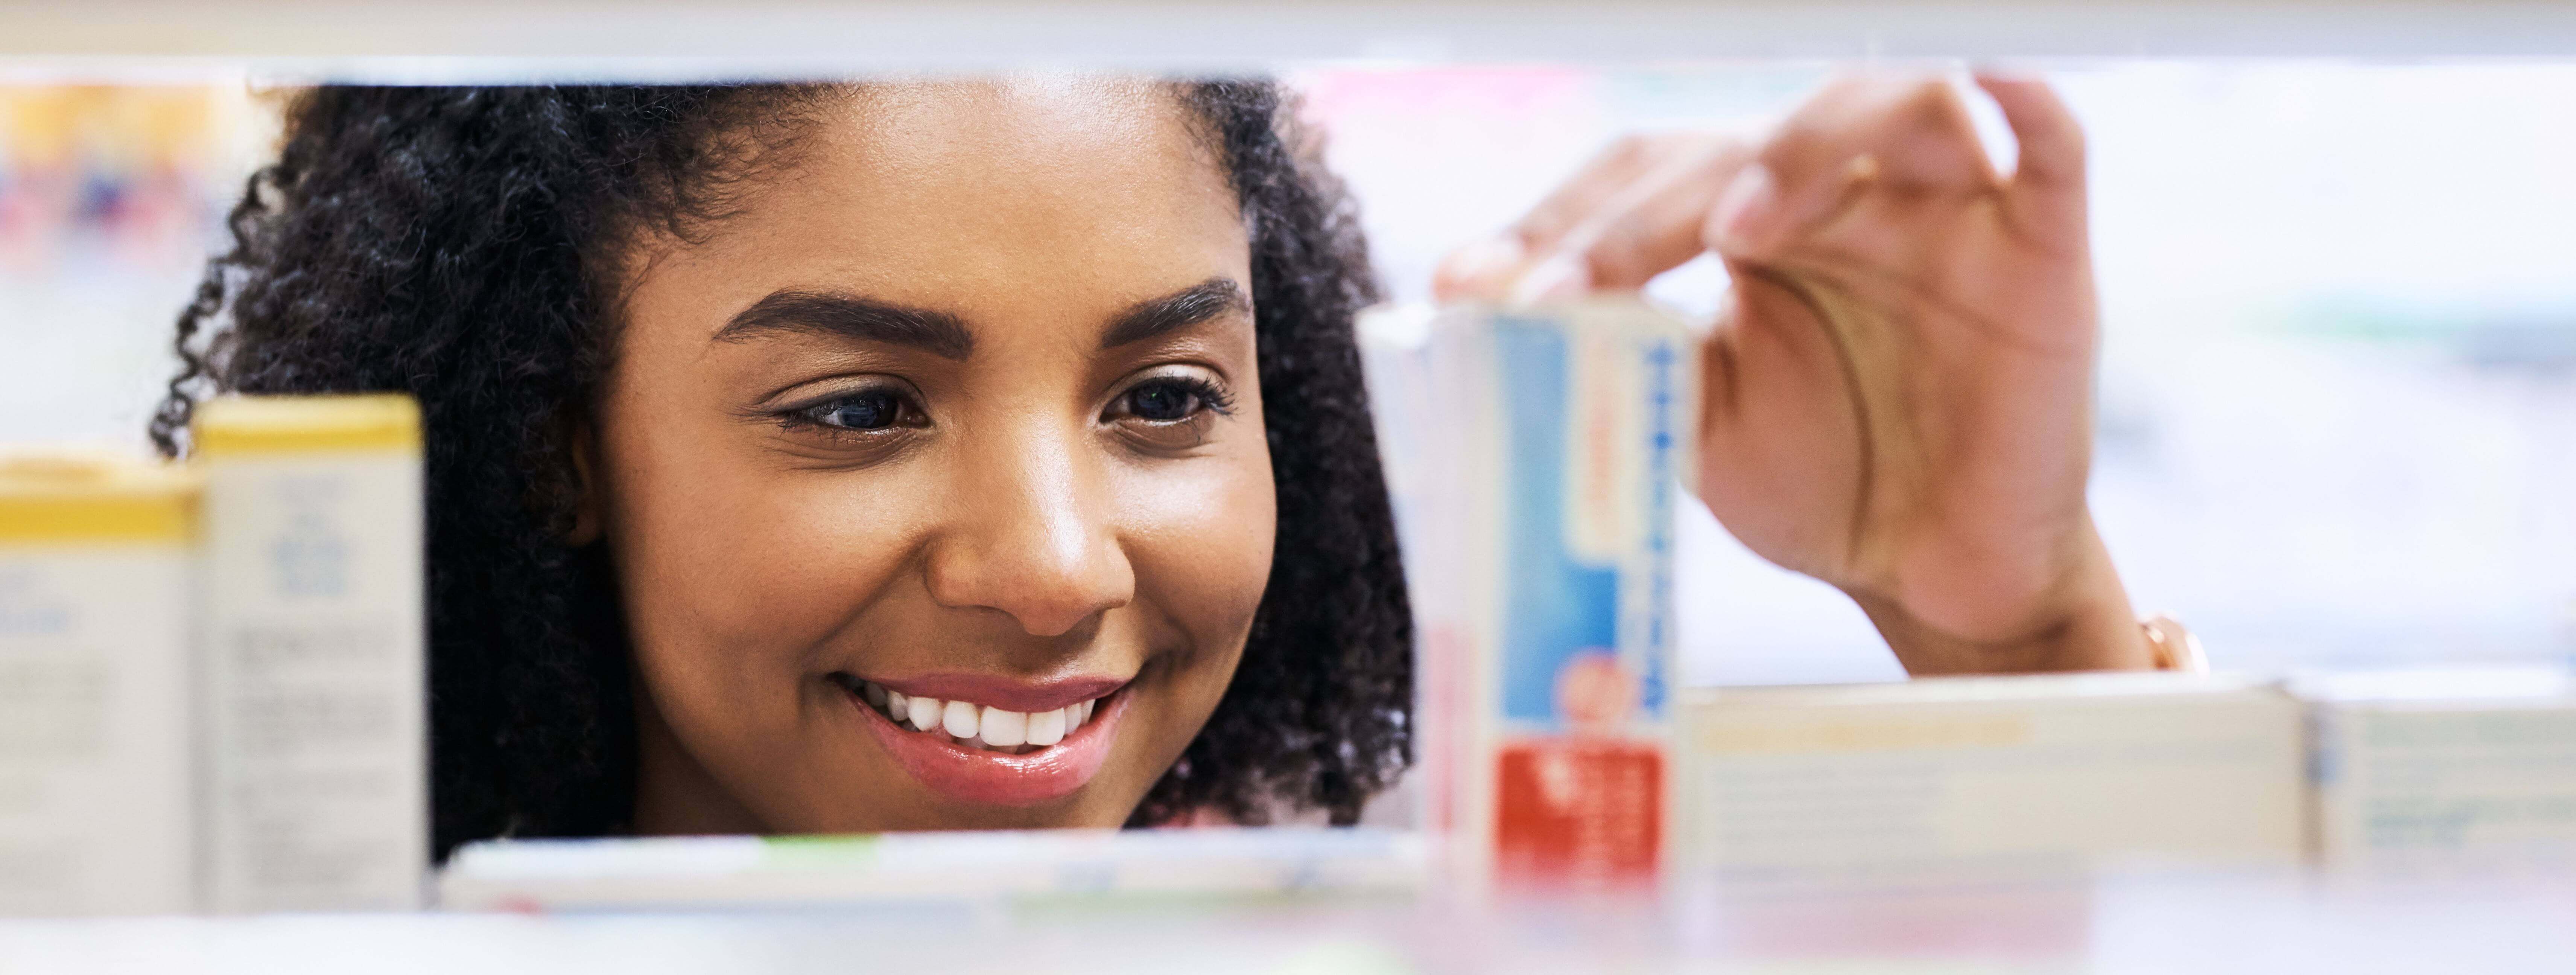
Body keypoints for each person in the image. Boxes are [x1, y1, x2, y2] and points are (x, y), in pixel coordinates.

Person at [149, 71, 2148, 861]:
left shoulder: (1415, 918)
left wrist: (2009, 619)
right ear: (554, 444)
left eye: (1168, 400)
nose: (1048, 566)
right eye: (858, 407)